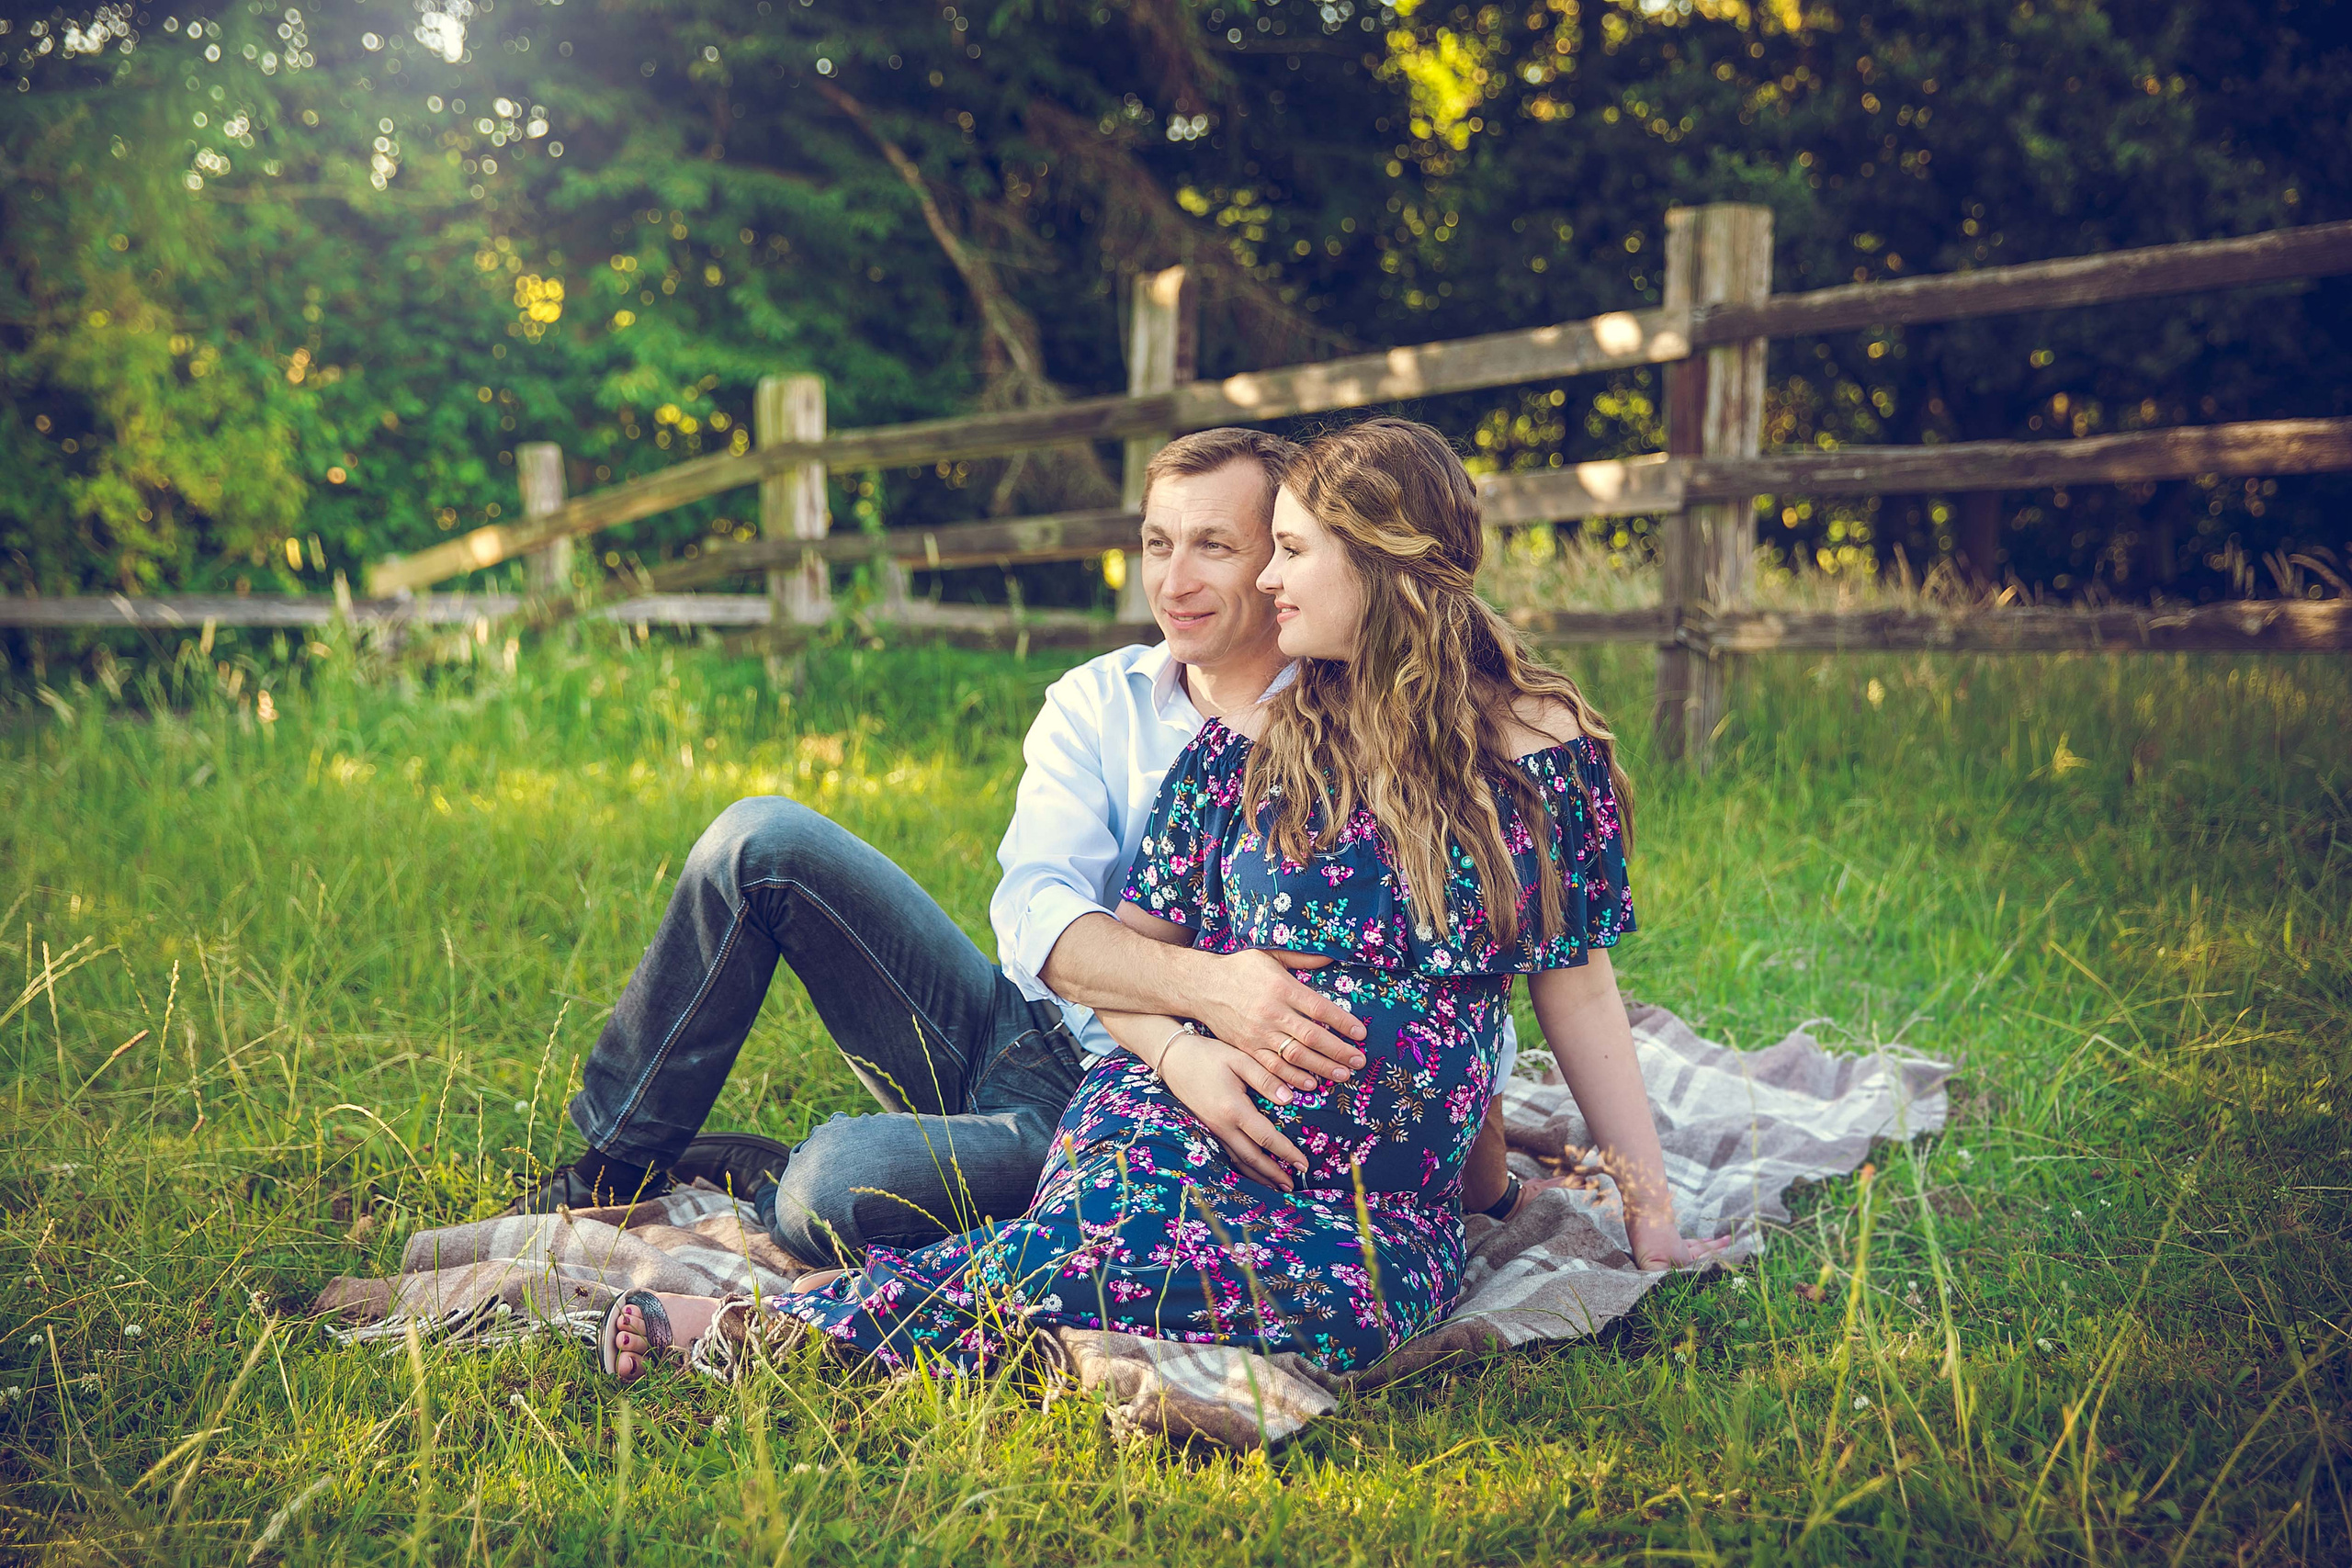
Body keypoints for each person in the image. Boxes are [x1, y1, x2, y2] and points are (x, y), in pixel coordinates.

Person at [601, 417, 1730, 1382]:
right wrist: (1188, 1042)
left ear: (1381, 560)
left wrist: (1648, 1212)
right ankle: (776, 1326)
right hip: (1139, 1084)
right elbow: (1065, 923)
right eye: (1163, 544)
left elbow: (1566, 982)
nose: (1250, 580)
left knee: (1344, 1312)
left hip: (1373, 1201)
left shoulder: (1536, 757)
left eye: (1270, 550)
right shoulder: (1247, 744)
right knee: (1092, 1235)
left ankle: (872, 1285)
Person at [520, 428, 1403, 1271]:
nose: (1173, 580)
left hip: (1133, 1105)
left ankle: (779, 1169)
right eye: (1156, 542)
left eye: (1214, 544)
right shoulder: (1097, 700)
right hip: (1009, 1026)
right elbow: (1037, 916)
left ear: (1280, 558)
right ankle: (615, 1160)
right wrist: (1214, 986)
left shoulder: (1346, 731)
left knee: (820, 1196)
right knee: (759, 838)